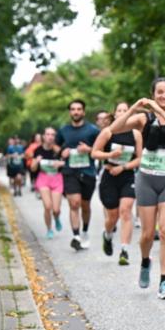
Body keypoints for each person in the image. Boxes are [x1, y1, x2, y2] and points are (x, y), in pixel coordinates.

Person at [107, 78, 165, 299]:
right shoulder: (143, 118)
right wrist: (134, 108)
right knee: (146, 234)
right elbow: (113, 129)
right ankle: (145, 261)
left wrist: (157, 109)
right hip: (146, 179)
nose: (163, 96)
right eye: (159, 92)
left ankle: (164, 282)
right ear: (152, 93)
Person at [91, 102, 143, 265]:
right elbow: (94, 153)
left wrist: (124, 167)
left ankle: (124, 251)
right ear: (114, 114)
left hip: (127, 176)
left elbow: (140, 158)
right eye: (119, 110)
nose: (122, 113)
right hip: (109, 177)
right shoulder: (108, 132)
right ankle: (107, 235)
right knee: (112, 216)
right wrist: (110, 154)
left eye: (126, 110)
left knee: (126, 211)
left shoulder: (136, 134)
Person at [57, 99, 101, 251]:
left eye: (79, 109)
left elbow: (100, 148)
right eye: (73, 109)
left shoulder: (93, 130)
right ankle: (75, 236)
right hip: (70, 172)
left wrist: (89, 149)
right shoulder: (63, 130)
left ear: (83, 111)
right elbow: (57, 148)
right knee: (74, 203)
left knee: (85, 205)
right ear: (70, 112)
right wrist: (62, 153)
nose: (76, 112)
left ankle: (85, 232)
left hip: (88, 172)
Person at [30, 127, 65, 239]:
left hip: (57, 178)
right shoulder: (38, 150)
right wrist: (36, 161)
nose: (50, 137)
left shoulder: (58, 150)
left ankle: (57, 218)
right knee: (47, 206)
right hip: (43, 178)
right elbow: (33, 169)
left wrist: (60, 164)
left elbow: (66, 163)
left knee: (56, 209)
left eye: (52, 135)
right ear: (43, 137)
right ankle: (49, 229)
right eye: (48, 134)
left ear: (55, 137)